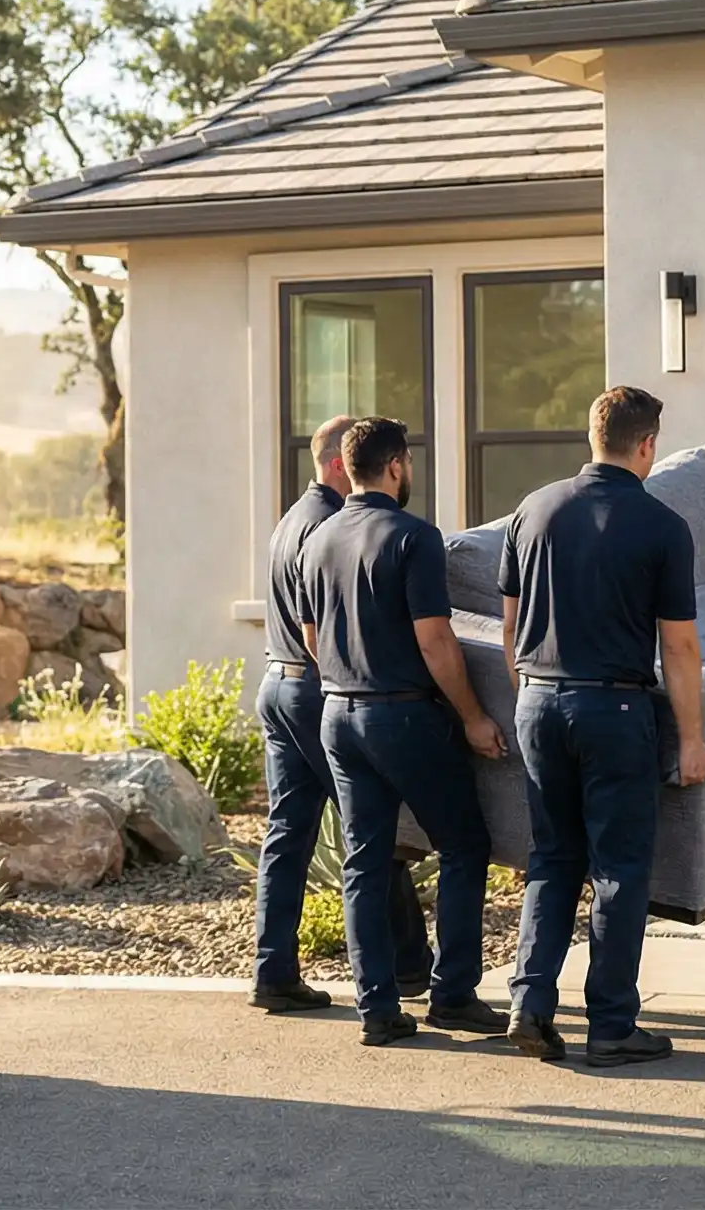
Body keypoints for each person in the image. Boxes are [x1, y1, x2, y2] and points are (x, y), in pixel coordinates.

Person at [499, 386, 705, 1068]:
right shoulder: (660, 526)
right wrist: (692, 737)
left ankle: (530, 1003)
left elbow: (509, 627)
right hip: (615, 710)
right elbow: (678, 647)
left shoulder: (532, 510)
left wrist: (533, 695)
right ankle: (611, 1025)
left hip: (537, 700)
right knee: (619, 868)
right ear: (646, 444)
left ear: (593, 435)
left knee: (552, 859)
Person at [299, 416, 510, 1046]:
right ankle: (452, 996)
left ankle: (378, 1009)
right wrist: (473, 715)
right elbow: (436, 639)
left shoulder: (319, 537)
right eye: (409, 463)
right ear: (395, 466)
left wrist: (345, 678)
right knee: (465, 845)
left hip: (338, 712)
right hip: (405, 715)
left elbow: (311, 637)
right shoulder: (414, 537)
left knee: (366, 858)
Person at [252, 415, 431, 1012]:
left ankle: (273, 970)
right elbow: (320, 631)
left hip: (276, 685)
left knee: (288, 835)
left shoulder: (288, 522)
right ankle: (406, 968)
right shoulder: (329, 525)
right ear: (337, 465)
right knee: (374, 829)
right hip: (313, 693)